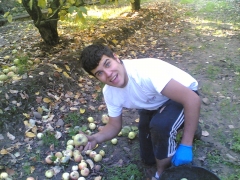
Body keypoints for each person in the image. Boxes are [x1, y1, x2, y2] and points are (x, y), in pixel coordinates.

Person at [79, 44, 201, 179]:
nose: (108, 74)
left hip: (184, 95)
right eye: (99, 73)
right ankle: (186, 123)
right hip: (154, 103)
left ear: (116, 58)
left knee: (161, 127)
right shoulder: (109, 92)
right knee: (148, 158)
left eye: (107, 64)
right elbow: (114, 125)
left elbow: (192, 100)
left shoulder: (145, 73)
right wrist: (96, 138)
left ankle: (162, 173)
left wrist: (186, 144)